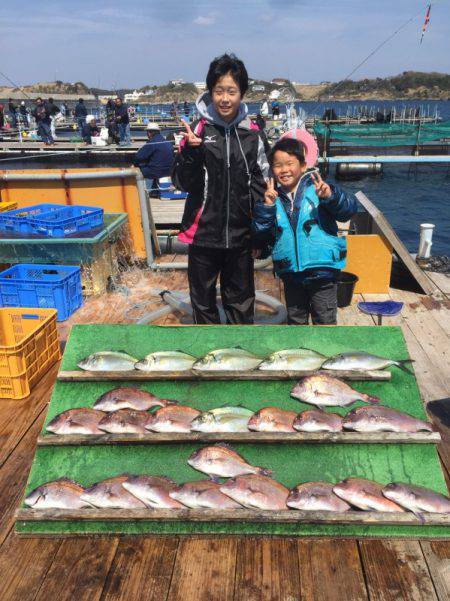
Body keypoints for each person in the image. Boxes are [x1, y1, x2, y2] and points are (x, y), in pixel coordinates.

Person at [172, 53, 269, 325]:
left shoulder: (253, 133)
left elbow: (263, 187)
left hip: (241, 237)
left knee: (241, 303)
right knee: (202, 302)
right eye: (218, 91)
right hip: (203, 234)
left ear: (242, 93)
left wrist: (261, 234)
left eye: (231, 91)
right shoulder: (197, 130)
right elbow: (182, 183)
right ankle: (209, 359)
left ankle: (239, 358)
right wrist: (190, 153)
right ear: (210, 92)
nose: (225, 98)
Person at [252, 136, 357, 325]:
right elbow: (260, 236)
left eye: (289, 163)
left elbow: (348, 211)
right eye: (277, 165)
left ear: (302, 166)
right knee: (296, 322)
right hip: (291, 274)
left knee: (324, 320)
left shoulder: (320, 189)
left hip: (322, 272)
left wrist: (331, 197)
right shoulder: (271, 198)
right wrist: (266, 208)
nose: (284, 170)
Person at [134, 122, 174, 197]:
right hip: (169, 171)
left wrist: (136, 164)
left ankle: (143, 191)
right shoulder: (167, 142)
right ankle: (154, 190)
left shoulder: (152, 142)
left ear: (149, 133)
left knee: (139, 169)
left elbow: (138, 157)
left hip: (156, 171)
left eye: (147, 132)